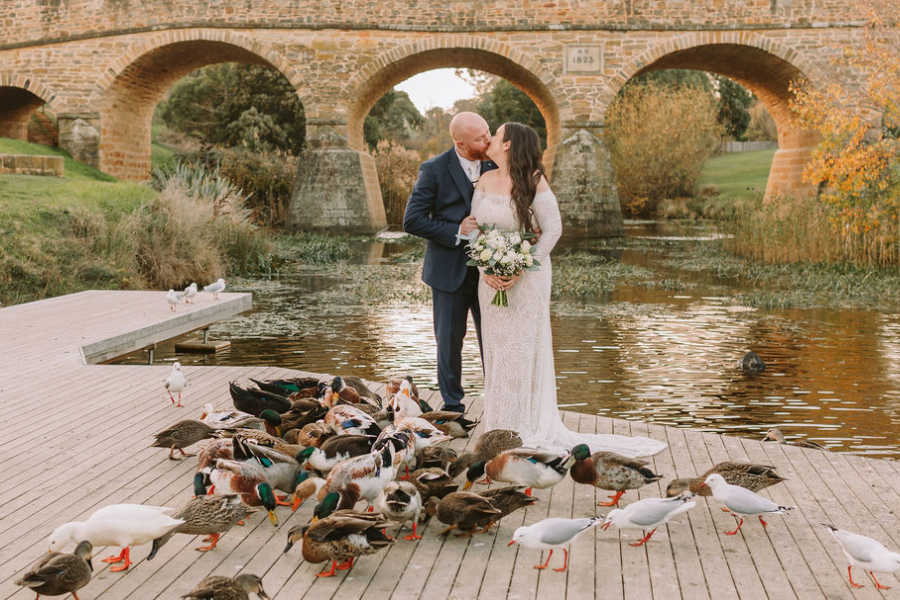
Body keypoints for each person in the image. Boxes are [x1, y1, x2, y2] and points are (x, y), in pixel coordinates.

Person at [471, 122, 667, 458]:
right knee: (498, 349)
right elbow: (476, 228)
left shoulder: (533, 180)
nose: (490, 139)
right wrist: (484, 266)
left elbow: (552, 230)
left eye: (497, 134)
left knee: (524, 347)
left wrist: (520, 267)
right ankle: (498, 424)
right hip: (489, 279)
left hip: (528, 278)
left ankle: (526, 426)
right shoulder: (485, 179)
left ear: (508, 144)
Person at [403, 112, 495, 413]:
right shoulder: (433, 169)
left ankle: (498, 401)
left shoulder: (496, 163)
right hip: (448, 272)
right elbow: (412, 220)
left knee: (493, 341)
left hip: (491, 271)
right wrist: (456, 231)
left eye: (488, 133)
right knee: (449, 341)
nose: (489, 140)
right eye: (481, 138)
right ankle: (453, 405)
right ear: (460, 143)